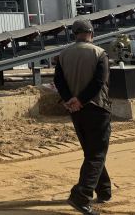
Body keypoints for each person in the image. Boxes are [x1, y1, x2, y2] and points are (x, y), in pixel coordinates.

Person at [54, 18, 112, 214]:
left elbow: (58, 81)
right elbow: (99, 82)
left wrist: (70, 100)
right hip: (97, 109)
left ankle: (104, 190)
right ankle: (82, 195)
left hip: (76, 111)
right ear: (92, 34)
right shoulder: (99, 53)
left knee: (91, 151)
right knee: (97, 153)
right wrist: (81, 100)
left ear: (74, 35)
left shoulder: (63, 55)